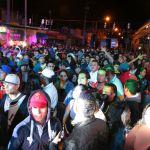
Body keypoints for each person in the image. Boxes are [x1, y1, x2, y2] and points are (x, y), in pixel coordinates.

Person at [0, 74, 28, 148]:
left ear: (17, 86)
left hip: (16, 140)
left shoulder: (25, 102)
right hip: (4, 136)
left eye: (9, 84)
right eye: (5, 83)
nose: (5, 86)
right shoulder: (5, 96)